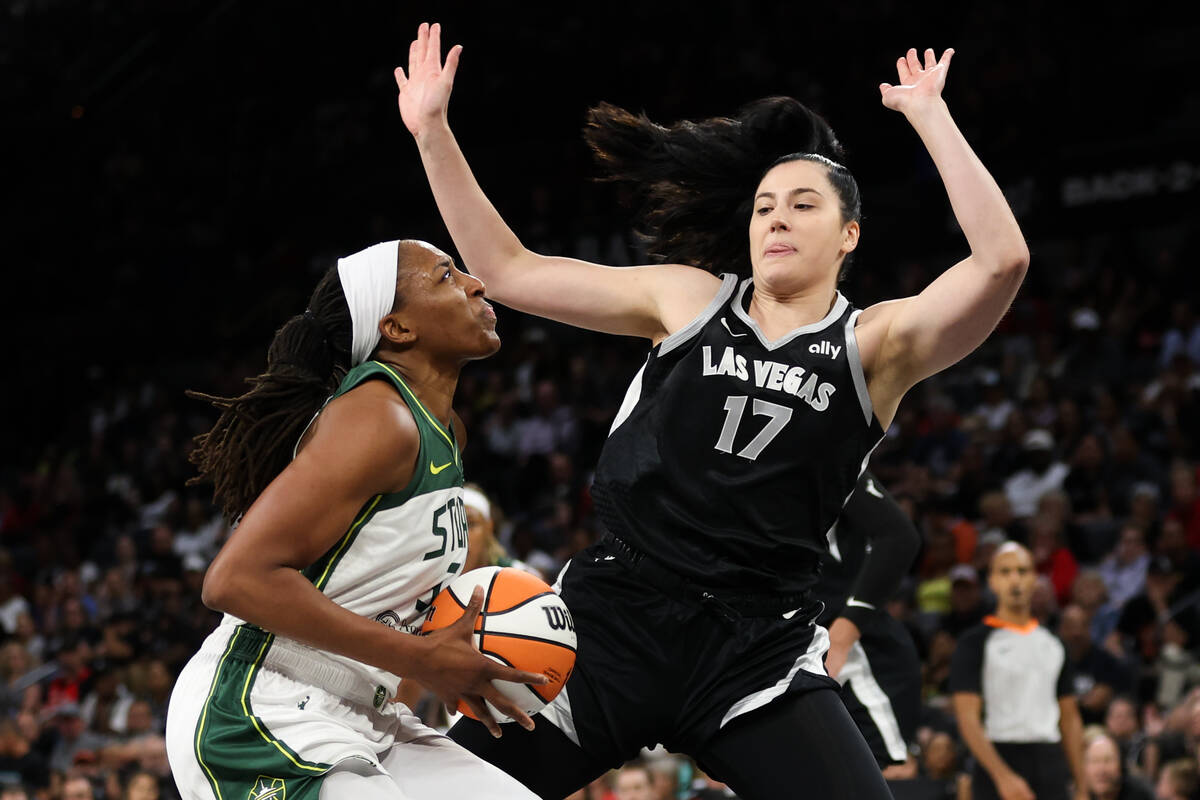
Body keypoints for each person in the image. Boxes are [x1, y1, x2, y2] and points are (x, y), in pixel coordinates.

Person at [397, 22, 1029, 799]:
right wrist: (432, 132)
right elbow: (508, 268)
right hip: (615, 619)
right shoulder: (690, 298)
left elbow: (1002, 262)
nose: (777, 219)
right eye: (765, 206)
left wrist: (931, 116)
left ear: (849, 235)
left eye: (803, 205)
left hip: (754, 648)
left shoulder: (876, 342)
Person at [164, 240, 548, 800]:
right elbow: (234, 580)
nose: (476, 283)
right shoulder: (379, 416)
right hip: (256, 710)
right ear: (396, 329)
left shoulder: (446, 433)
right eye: (446, 277)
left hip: (364, 709)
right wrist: (422, 658)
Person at [950, 543, 1086, 800]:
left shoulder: (1054, 644)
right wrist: (1002, 776)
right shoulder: (974, 643)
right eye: (1005, 571)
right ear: (992, 581)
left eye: (1023, 571)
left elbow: (1070, 718)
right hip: (999, 754)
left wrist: (1081, 785)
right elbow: (967, 718)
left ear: (1034, 579)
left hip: (1049, 759)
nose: (1015, 579)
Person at [817, 470, 923, 767]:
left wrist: (844, 633)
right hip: (790, 653)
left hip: (856, 658)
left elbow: (899, 537)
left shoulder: (815, 444)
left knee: (881, 776)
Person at [1080, 727, 1153, 800]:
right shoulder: (1077, 794)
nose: (1101, 770)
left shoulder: (1140, 794)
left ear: (1121, 765)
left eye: (1108, 761)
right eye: (1095, 761)